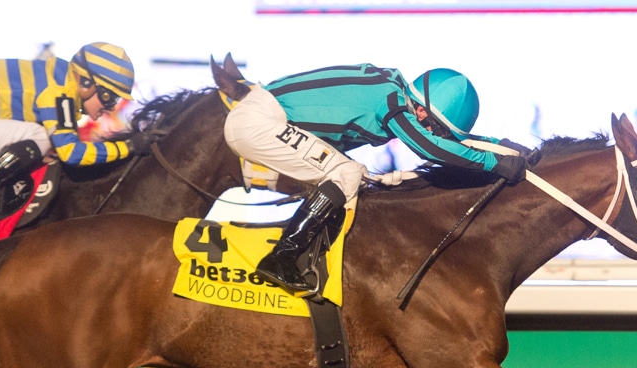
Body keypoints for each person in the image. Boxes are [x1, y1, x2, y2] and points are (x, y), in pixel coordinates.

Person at [223, 63, 531, 293]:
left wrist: (499, 145)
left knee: (351, 174)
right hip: (257, 123)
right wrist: (493, 163)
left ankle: (304, 258)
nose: (433, 132)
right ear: (422, 113)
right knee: (345, 172)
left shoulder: (393, 90)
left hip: (261, 117)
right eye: (436, 126)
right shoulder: (391, 102)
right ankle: (281, 258)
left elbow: (441, 140)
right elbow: (430, 147)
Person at [0, 42, 138, 238]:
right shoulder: (58, 92)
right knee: (40, 137)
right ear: (87, 83)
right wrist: (129, 147)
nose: (110, 108)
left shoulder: (59, 82)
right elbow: (72, 154)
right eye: (110, 98)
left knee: (43, 141)